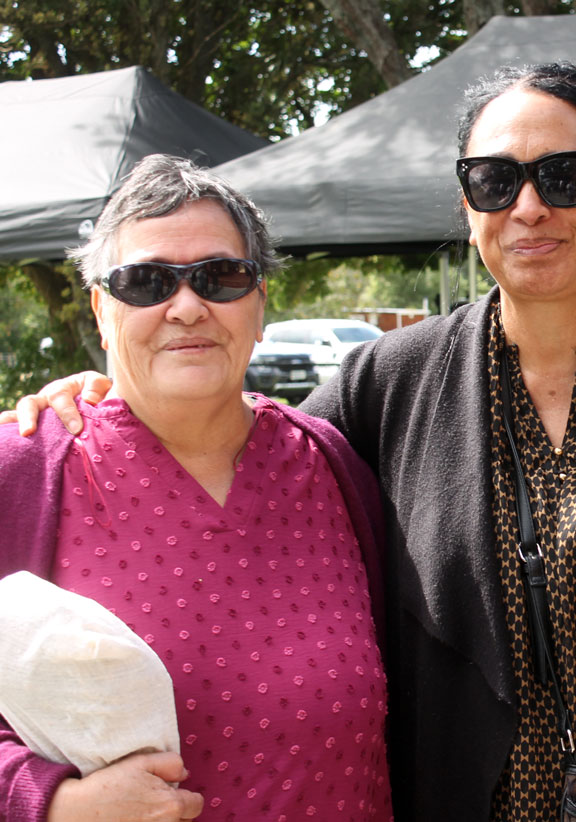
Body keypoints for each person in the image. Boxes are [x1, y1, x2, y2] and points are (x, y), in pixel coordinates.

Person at [12, 64, 576, 820]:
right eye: (495, 180)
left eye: (564, 176)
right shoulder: (391, 383)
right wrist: (112, 391)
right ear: (468, 209)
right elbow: (232, 427)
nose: (528, 207)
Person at [0, 155, 393, 822]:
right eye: (145, 281)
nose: (186, 306)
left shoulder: (331, 466)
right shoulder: (25, 471)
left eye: (221, 276)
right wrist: (52, 802)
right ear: (101, 310)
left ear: (259, 303)